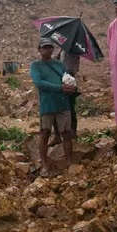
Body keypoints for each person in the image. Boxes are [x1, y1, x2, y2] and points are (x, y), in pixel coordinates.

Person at [30, 37, 78, 175]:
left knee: (66, 133)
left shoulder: (60, 65)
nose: (47, 49)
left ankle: (69, 162)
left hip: (63, 103)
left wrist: (70, 87)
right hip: (47, 105)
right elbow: (39, 83)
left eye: (50, 47)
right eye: (44, 47)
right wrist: (61, 88)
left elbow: (67, 78)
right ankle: (44, 165)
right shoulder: (36, 66)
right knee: (45, 133)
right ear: (39, 50)